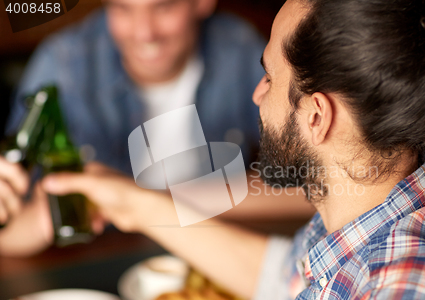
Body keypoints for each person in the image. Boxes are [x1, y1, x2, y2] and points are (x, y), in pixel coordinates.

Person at [23, 0, 425, 300]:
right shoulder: (393, 201)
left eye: (270, 77)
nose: (257, 93)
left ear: (316, 116)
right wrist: (139, 204)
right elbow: (282, 277)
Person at [0, 0, 315, 256]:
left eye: (163, 7)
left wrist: (145, 203)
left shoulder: (242, 50)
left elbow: (320, 184)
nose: (144, 33)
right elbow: (12, 221)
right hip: (100, 263)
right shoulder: (63, 64)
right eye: (123, 8)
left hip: (219, 248)